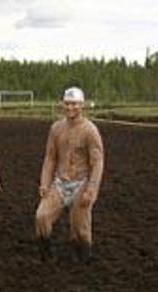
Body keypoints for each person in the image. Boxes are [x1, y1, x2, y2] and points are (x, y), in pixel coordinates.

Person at [33, 87, 104, 262]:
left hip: (81, 183)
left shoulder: (90, 130)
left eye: (74, 104)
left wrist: (91, 190)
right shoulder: (56, 128)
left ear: (82, 105)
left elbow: (97, 162)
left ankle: (83, 259)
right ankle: (46, 256)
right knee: (42, 216)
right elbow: (50, 157)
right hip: (60, 182)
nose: (70, 107)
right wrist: (45, 182)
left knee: (80, 227)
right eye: (67, 104)